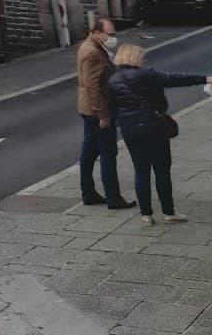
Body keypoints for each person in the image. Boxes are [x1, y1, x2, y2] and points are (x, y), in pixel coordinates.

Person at [108, 43, 211, 225]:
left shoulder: (113, 80)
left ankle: (146, 214)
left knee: (141, 170)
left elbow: (112, 108)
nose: (144, 60)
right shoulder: (146, 74)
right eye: (142, 57)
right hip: (152, 124)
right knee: (162, 169)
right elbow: (174, 79)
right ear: (135, 57)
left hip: (129, 128)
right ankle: (168, 212)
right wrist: (205, 79)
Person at [76, 17, 133, 210]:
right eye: (110, 34)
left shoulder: (92, 46)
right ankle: (113, 197)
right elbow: (92, 86)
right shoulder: (93, 52)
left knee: (89, 150)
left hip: (87, 109)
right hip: (97, 110)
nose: (113, 37)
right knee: (108, 152)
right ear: (97, 33)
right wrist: (103, 115)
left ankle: (88, 192)